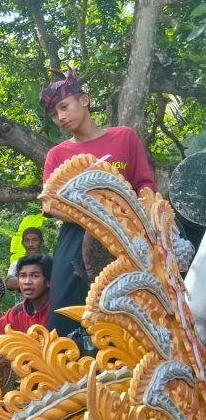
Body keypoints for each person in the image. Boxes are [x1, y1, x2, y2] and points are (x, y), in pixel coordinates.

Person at [41, 69, 157, 338]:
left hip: (129, 232)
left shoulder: (124, 137)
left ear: (84, 100)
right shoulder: (57, 154)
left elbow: (145, 186)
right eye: (54, 114)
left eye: (64, 107)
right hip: (76, 234)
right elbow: (49, 204)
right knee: (65, 311)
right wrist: (94, 216)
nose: (61, 117)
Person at [0, 254, 53, 352]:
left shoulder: (59, 309)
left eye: (35, 276)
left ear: (49, 281)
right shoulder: (18, 312)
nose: (27, 282)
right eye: (23, 276)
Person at [5, 227, 44, 302]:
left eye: (34, 240)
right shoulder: (16, 264)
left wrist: (21, 281)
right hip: (21, 310)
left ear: (41, 242)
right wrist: (41, 282)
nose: (30, 244)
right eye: (27, 240)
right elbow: (9, 283)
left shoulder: (49, 263)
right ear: (22, 243)